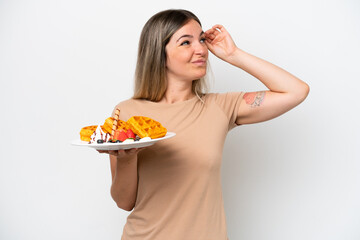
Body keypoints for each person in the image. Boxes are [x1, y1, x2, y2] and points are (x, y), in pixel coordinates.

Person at [98, 9, 309, 240]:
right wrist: (126, 158)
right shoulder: (127, 112)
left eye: (201, 39)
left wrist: (233, 54)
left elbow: (296, 91)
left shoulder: (220, 106)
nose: (201, 49)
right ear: (159, 53)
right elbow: (124, 201)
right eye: (185, 42)